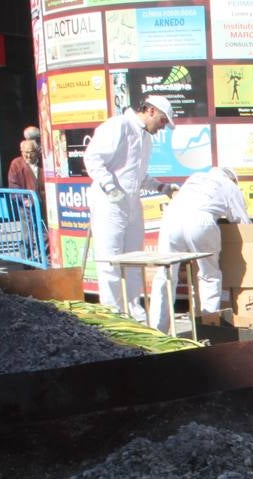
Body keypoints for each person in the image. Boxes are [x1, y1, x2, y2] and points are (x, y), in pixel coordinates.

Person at [83, 95, 175, 316]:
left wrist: (162, 187)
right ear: (151, 111)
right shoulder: (119, 126)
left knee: (134, 260)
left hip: (131, 203)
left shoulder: (145, 139)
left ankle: (134, 311)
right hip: (109, 203)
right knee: (110, 261)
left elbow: (137, 176)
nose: (162, 128)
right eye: (163, 121)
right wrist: (109, 187)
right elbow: (93, 158)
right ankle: (113, 313)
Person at [148, 167, 250, 333]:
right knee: (209, 275)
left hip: (171, 219)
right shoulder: (230, 186)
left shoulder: (196, 177)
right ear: (233, 179)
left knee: (165, 275)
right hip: (200, 221)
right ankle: (208, 326)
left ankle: (157, 330)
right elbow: (242, 221)